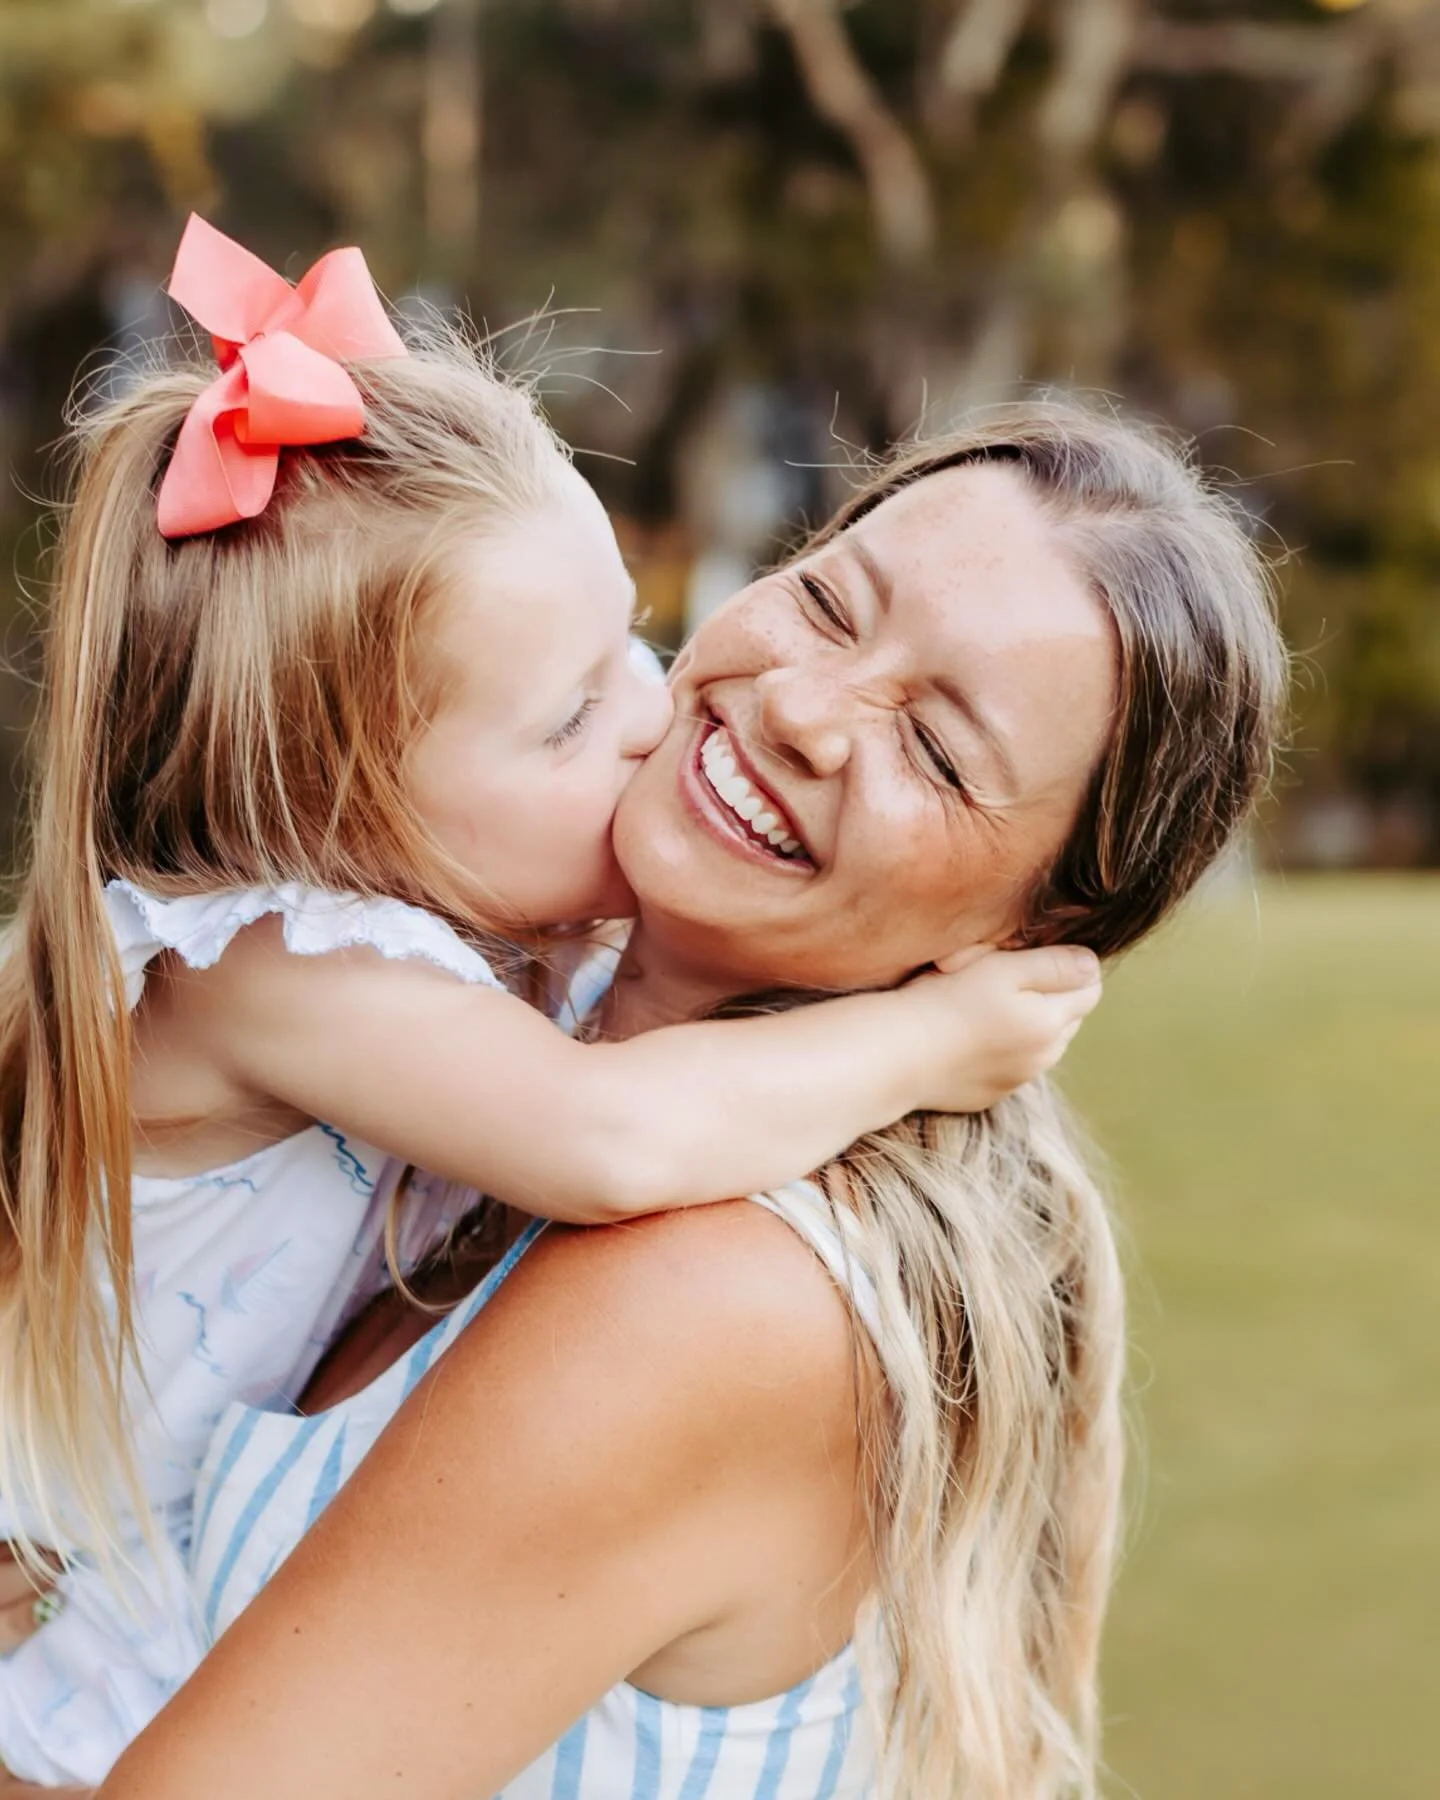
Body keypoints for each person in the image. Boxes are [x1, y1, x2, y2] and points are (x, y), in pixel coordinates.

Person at [0, 221, 1098, 1786]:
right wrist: (935, 1036)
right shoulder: (276, 965)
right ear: (347, 813)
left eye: (634, 643)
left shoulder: (486, 986)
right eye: (573, 714)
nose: (659, 712)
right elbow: (606, 1138)